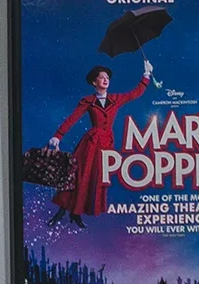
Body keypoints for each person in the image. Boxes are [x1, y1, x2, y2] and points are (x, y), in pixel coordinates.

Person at [48, 61, 152, 228]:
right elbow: (73, 118)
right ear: (94, 82)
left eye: (107, 77)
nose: (105, 80)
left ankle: (75, 214)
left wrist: (146, 75)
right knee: (78, 177)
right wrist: (58, 136)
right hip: (90, 144)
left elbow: (135, 93)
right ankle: (61, 212)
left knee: (95, 180)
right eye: (101, 77)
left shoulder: (116, 99)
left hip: (106, 145)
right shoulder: (88, 101)